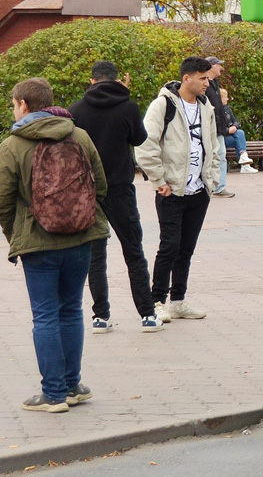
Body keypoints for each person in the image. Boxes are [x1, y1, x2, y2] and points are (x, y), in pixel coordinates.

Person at [0, 78, 108, 411]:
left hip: (37, 243)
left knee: (45, 316)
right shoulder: (80, 135)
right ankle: (73, 386)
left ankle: (53, 394)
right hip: (81, 238)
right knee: (72, 310)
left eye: (13, 103)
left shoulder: (13, 146)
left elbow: (3, 201)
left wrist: (14, 233)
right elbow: (100, 187)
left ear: (23, 104)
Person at [68, 62, 161, 334]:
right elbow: (140, 138)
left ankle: (100, 317)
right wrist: (125, 98)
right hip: (120, 188)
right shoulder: (128, 107)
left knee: (95, 255)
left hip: (88, 190)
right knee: (133, 250)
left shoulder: (76, 110)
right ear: (118, 80)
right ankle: (147, 314)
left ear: (91, 79)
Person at [138, 57, 220, 323]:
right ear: (187, 78)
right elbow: (145, 145)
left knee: (187, 248)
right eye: (203, 78)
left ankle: (178, 301)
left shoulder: (206, 106)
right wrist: (158, 180)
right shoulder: (163, 105)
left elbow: (214, 145)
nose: (208, 83)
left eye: (209, 78)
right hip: (171, 191)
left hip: (199, 191)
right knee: (169, 246)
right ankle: (157, 300)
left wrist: (212, 179)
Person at [204, 57, 254, 200]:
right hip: (211, 128)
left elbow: (219, 108)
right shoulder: (206, 84)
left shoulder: (214, 84)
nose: (221, 68)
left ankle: (218, 186)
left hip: (218, 129)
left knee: (220, 156)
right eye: (219, 65)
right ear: (212, 67)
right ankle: (215, 187)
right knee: (215, 157)